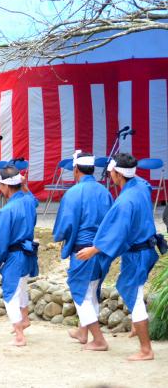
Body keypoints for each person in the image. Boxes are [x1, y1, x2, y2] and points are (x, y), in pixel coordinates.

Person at [77, 153, 160, 361]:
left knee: (134, 296)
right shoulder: (140, 186)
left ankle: (146, 350)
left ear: (118, 174)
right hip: (147, 249)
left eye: (112, 172)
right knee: (134, 290)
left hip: (138, 254)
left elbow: (116, 233)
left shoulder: (125, 201)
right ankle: (137, 327)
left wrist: (94, 249)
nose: (110, 175)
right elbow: (144, 184)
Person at [52, 151, 113, 351]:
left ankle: (99, 340)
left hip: (82, 252)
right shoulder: (105, 192)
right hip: (100, 251)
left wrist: (59, 236)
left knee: (81, 294)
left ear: (76, 169)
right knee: (92, 291)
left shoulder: (74, 193)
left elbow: (65, 226)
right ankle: (83, 331)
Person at [0, 164, 39, 346]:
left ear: (5, 186)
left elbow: (0, 240)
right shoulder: (28, 201)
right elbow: (33, 199)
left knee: (10, 295)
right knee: (21, 288)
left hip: (15, 256)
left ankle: (19, 336)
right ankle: (24, 319)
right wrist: (24, 186)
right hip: (27, 255)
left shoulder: (7, 211)